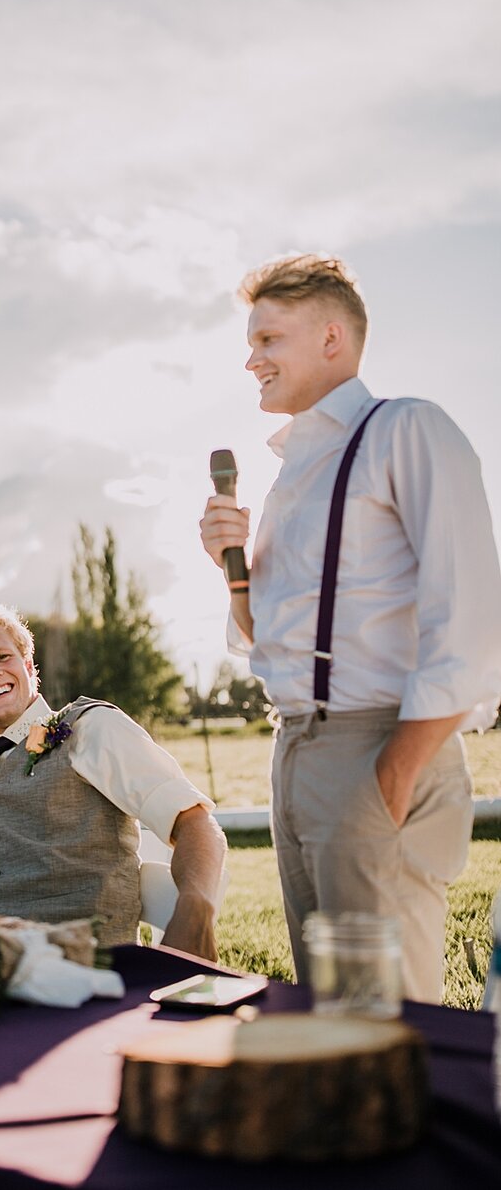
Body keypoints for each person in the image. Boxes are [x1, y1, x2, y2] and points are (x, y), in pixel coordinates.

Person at [199, 253, 501, 1002]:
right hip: (294, 746)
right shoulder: (295, 469)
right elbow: (267, 636)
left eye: (269, 339)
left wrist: (393, 777)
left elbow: (471, 617)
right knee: (329, 1002)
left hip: (377, 742)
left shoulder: (407, 430)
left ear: (332, 338)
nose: (251, 359)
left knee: (387, 1012)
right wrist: (228, 569)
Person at [0, 600, 226, 956]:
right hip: (0, 971)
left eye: (3, 657)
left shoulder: (91, 727)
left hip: (94, 968)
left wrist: (195, 910)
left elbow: (195, 822)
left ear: (28, 665)